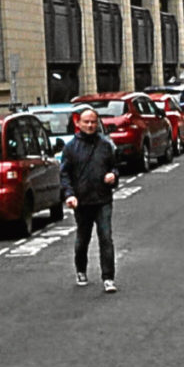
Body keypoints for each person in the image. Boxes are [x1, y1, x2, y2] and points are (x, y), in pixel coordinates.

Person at [59, 104, 120, 292]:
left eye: (94, 122)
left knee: (106, 237)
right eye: (87, 122)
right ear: (78, 124)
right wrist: (69, 195)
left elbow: (115, 167)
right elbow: (64, 174)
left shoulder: (105, 145)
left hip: (103, 199)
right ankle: (81, 270)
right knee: (83, 238)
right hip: (82, 201)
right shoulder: (70, 148)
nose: (91, 125)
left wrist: (113, 176)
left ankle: (108, 277)